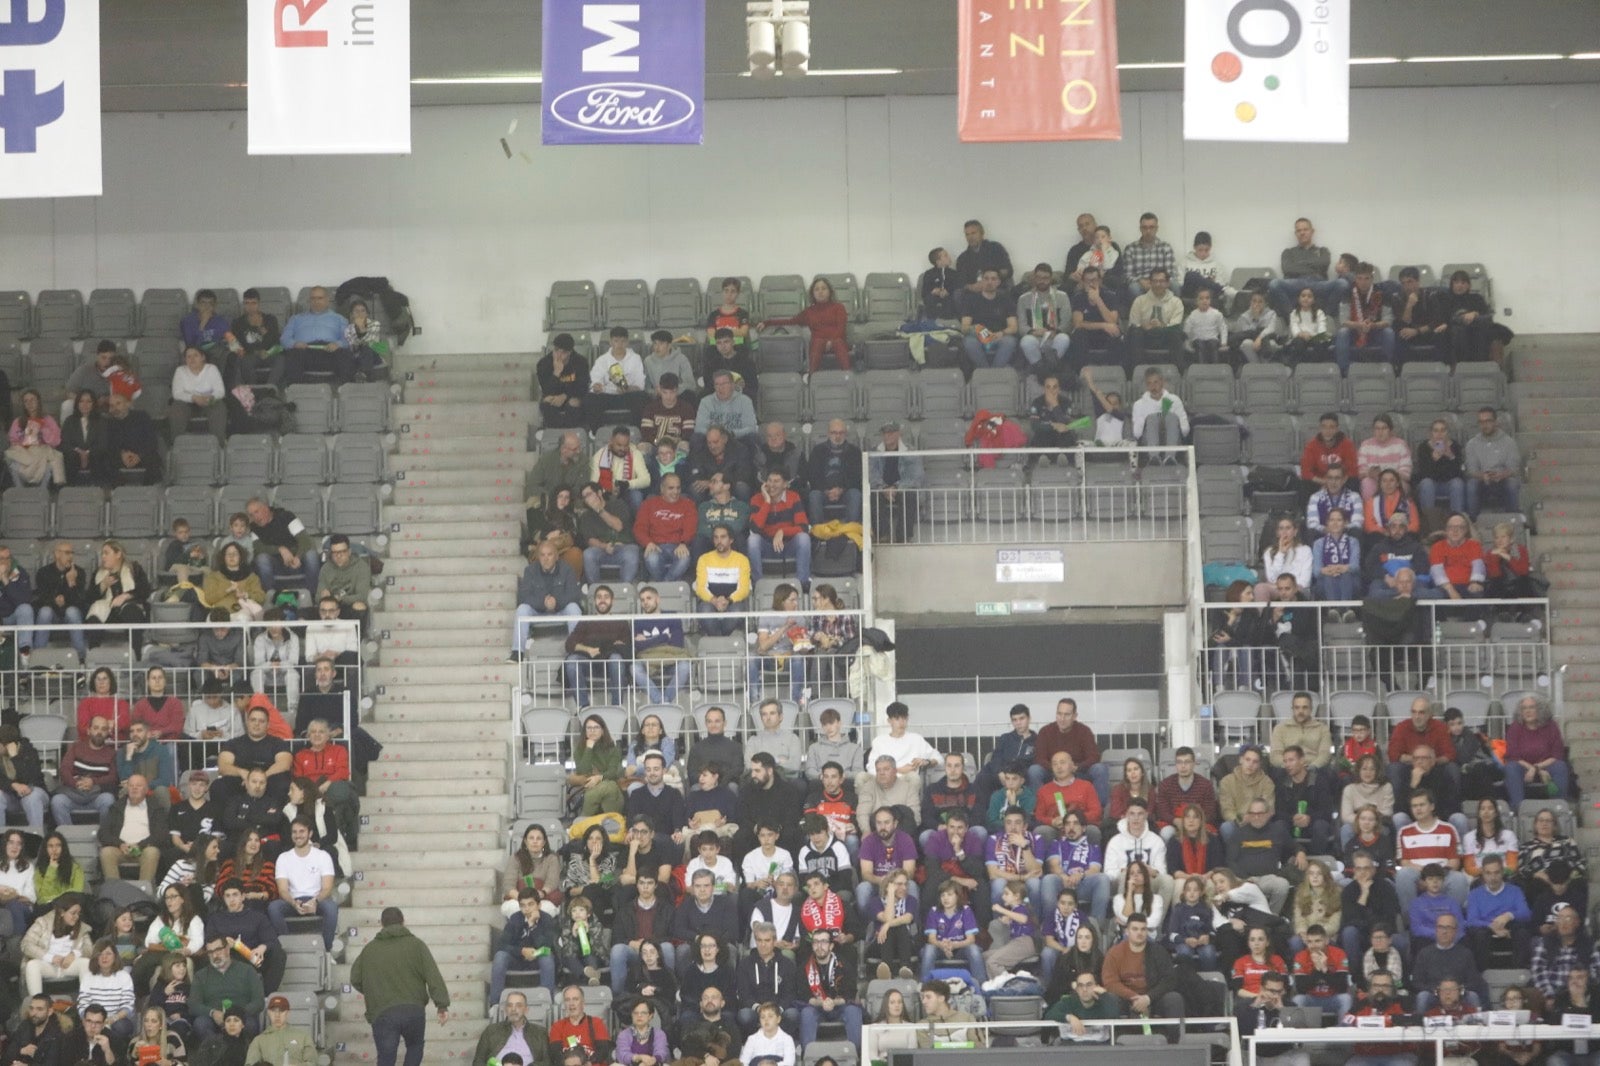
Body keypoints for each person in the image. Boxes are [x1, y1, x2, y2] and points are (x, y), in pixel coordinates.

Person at [350, 907, 451, 1066]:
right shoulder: (417, 945)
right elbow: (433, 976)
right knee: (415, 1046)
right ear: (403, 922)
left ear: (381, 924)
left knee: (385, 1057)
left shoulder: (369, 950)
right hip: (413, 1010)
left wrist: (374, 991)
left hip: (383, 1013)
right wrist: (442, 1005)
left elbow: (355, 978)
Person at [1100, 912, 1185, 1030]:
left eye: (1143, 929)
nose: (1139, 933)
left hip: (1153, 998)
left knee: (1174, 999)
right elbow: (1110, 983)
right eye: (1135, 929)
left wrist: (1147, 998)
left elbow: (1169, 979)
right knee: (1110, 999)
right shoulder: (1114, 953)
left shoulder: (1158, 951)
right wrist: (1134, 997)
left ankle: (1176, 1044)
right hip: (1125, 999)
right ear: (1127, 931)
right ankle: (1115, 1043)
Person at [759, 277, 851, 372]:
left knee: (838, 342)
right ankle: (812, 377)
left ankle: (848, 376)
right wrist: (767, 322)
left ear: (830, 291)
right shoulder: (809, 312)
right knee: (817, 342)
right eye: (817, 289)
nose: (820, 292)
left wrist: (830, 341)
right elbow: (790, 321)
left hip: (837, 341)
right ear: (813, 294)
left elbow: (841, 329)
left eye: (824, 288)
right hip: (818, 343)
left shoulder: (839, 307)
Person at [1466, 853, 1533, 969]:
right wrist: (1491, 926)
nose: (1493, 878)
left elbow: (1526, 913)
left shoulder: (1515, 890)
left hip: (1510, 929)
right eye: (1488, 873)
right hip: (1486, 930)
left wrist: (1508, 915)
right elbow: (1471, 920)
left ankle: (1519, 973)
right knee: (1478, 935)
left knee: (1523, 932)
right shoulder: (1475, 894)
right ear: (1482, 874)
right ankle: (1483, 974)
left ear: (1502, 872)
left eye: (1496, 873)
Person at [1504, 695, 1570, 808]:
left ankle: (1558, 807)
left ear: (1540, 710)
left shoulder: (1551, 726)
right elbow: (1513, 755)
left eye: (1531, 707)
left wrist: (1536, 768)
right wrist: (1531, 768)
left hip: (1547, 765)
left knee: (1560, 766)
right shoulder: (1515, 727)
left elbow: (1556, 754)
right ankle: (1518, 808)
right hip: (1523, 766)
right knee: (1511, 767)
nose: (1527, 711)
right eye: (1524, 708)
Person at [868, 420, 923, 545]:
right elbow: (871, 474)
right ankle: (883, 536)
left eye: (891, 433)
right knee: (873, 496)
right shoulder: (874, 451)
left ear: (899, 434)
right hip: (881, 489)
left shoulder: (910, 451)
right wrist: (883, 488)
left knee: (909, 495)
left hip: (901, 487)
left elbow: (915, 476)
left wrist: (897, 487)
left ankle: (903, 537)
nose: (887, 436)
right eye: (885, 433)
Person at [1464, 407, 1522, 516]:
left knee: (1512, 484)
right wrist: (1483, 476)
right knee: (1471, 484)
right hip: (1482, 482)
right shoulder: (1472, 444)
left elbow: (1514, 469)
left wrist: (1502, 475)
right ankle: (1472, 522)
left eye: (1488, 421)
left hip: (1502, 481)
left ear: (1495, 422)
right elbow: (1471, 470)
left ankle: (1513, 520)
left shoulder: (1509, 442)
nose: (1484, 425)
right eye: (1481, 422)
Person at [1016, 263, 1073, 370]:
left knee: (1064, 338)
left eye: (1046, 278)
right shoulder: (1023, 299)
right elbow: (1021, 325)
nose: (1042, 281)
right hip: (1034, 336)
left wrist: (1055, 332)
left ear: (1051, 279)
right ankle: (1043, 370)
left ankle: (1047, 369)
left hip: (1054, 336)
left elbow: (1067, 322)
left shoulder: (1062, 296)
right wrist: (1033, 332)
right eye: (1039, 278)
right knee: (1026, 341)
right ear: (1034, 278)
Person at [960, 268, 1019, 369]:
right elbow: (964, 327)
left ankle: (994, 371)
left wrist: (1001, 333)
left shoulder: (1006, 300)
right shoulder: (970, 300)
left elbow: (1013, 327)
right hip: (978, 337)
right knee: (969, 342)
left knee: (1010, 341)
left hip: (999, 336)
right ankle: (985, 371)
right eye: (986, 279)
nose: (989, 282)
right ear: (981, 281)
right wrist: (979, 331)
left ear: (998, 282)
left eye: (993, 279)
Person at [1127, 269, 1185, 369]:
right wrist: (1144, 327)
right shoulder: (1139, 301)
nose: (1158, 284)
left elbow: (1176, 324)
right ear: (1150, 283)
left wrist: (1161, 326)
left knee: (1176, 333)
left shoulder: (1176, 302)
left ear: (1167, 283)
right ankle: (1137, 372)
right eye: (1155, 281)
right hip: (1145, 337)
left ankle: (1178, 373)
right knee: (1135, 332)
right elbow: (1133, 323)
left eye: (1161, 281)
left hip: (1166, 337)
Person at [245, 994, 316, 1065]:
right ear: (268, 1013)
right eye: (273, 1011)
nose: (277, 1015)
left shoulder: (303, 1037)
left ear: (287, 1013)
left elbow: (312, 1063)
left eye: (281, 1011)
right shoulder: (259, 1041)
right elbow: (250, 1064)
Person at [920, 247, 961, 320]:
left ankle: (948, 322)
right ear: (938, 261)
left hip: (949, 300)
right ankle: (931, 323)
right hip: (933, 301)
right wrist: (933, 291)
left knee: (949, 300)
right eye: (946, 256)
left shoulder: (954, 274)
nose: (949, 257)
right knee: (930, 299)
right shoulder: (929, 274)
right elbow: (924, 292)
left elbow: (957, 286)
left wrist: (948, 291)